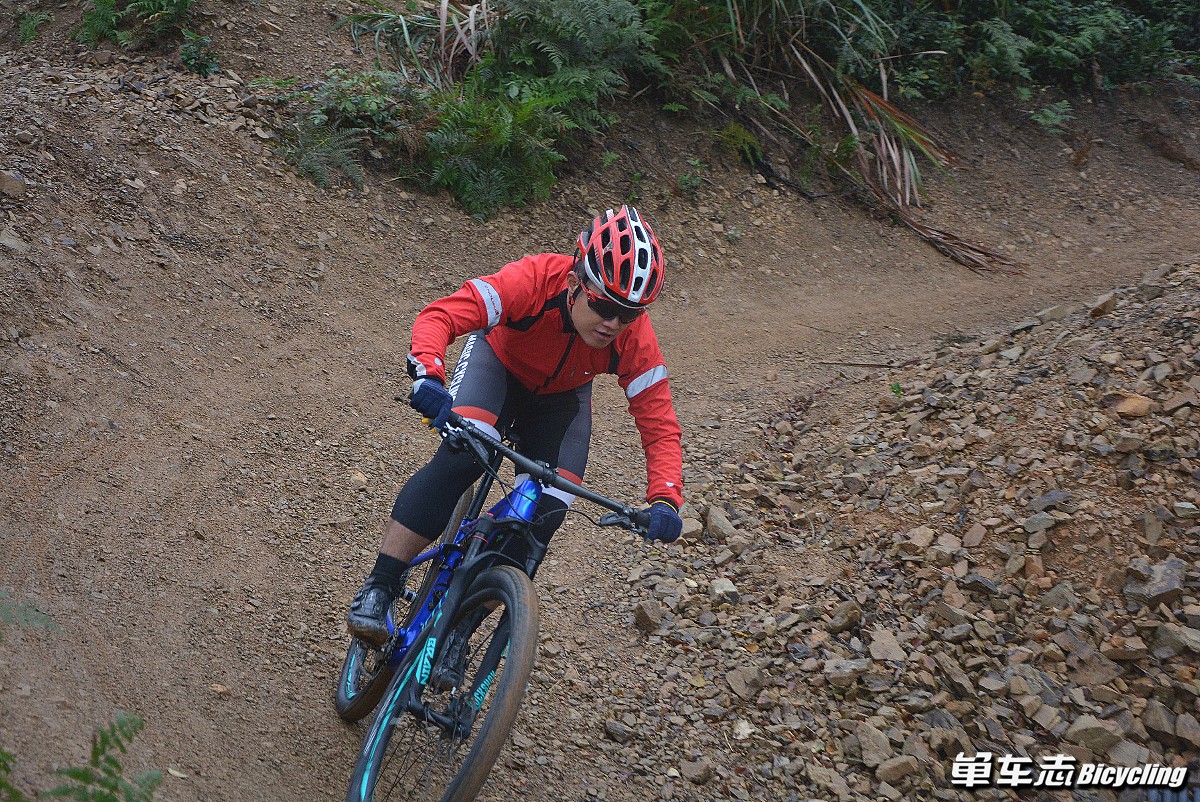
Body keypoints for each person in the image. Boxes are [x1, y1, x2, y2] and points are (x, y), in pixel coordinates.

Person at [346, 205, 685, 647]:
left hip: (561, 401)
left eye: (630, 314)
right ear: (575, 282)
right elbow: (441, 316)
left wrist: (665, 499)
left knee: (547, 509)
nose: (614, 323)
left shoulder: (633, 340)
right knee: (466, 454)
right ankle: (380, 587)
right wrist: (429, 375)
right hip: (497, 368)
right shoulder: (533, 280)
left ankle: (459, 636)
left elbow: (659, 424)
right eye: (604, 305)